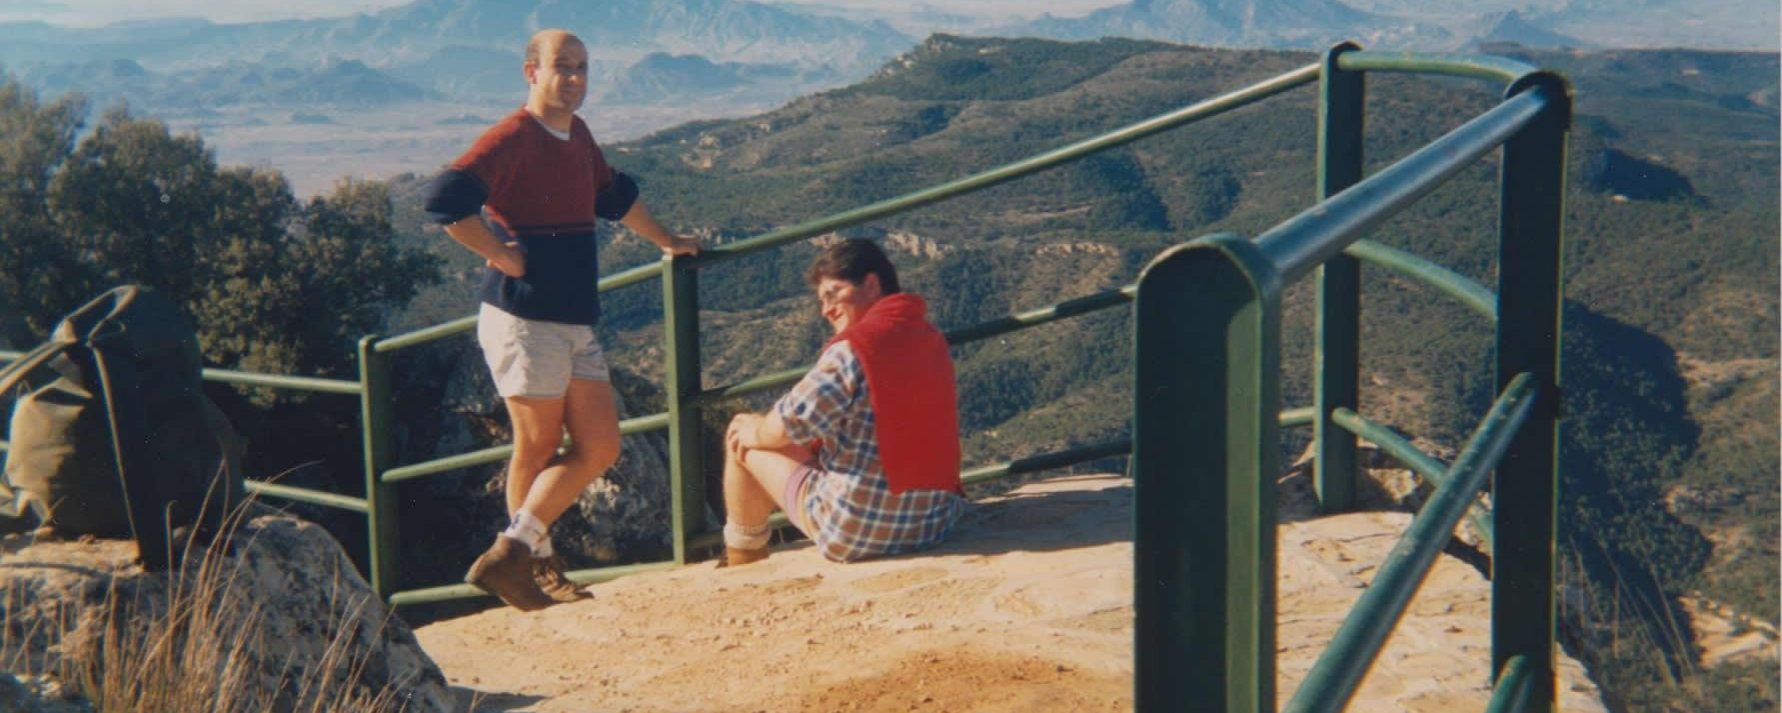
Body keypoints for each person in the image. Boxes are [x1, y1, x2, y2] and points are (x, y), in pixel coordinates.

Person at [421, 28, 700, 611]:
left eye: (582, 68)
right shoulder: (511, 138)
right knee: (537, 445)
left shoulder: (576, 135)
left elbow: (615, 198)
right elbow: (444, 200)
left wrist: (668, 240)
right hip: (524, 319)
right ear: (531, 73)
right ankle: (534, 572)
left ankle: (511, 552)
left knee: (600, 445)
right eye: (561, 67)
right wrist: (501, 253)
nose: (573, 79)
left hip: (572, 318)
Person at [720, 239, 966, 566]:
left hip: (856, 531)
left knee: (740, 435)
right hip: (934, 522)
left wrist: (755, 430)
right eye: (822, 300)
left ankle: (742, 558)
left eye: (833, 294)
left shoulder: (853, 349)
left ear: (871, 284)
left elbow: (792, 422)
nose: (826, 309)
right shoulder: (928, 336)